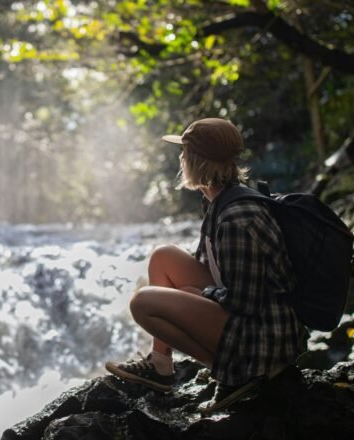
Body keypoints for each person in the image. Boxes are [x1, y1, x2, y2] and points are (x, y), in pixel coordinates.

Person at [104, 118, 307, 413]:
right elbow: (220, 273)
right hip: (253, 322)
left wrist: (198, 294)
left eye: (183, 152)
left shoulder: (238, 218)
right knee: (163, 257)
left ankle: (237, 378)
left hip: (264, 342)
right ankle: (161, 364)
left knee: (142, 302)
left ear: (194, 161)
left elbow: (245, 302)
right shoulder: (221, 200)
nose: (180, 158)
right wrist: (195, 292)